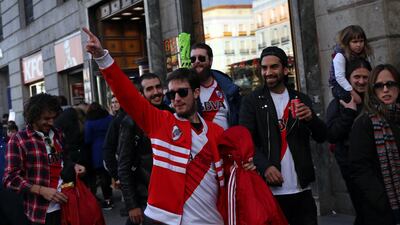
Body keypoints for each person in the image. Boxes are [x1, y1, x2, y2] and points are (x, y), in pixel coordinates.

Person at [83, 27, 256, 225]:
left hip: (212, 219)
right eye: (171, 94)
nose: (176, 99)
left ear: (196, 93)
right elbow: (127, 95)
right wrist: (102, 57)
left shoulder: (216, 132)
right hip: (168, 220)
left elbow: (231, 171)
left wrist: (246, 166)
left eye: (182, 92)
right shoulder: (161, 122)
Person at [239, 46, 327, 225]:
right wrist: (265, 167)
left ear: (285, 70)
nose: (268, 72)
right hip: (270, 192)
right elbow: (245, 141)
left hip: (302, 189)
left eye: (274, 67)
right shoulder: (252, 101)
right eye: (264, 68)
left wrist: (311, 118)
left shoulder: (300, 98)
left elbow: (322, 136)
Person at [3, 93, 85, 225]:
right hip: (42, 213)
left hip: (68, 205)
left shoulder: (57, 133)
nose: (51, 122)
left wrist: (73, 166)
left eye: (54, 117)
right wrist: (41, 190)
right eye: (46, 118)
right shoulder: (18, 140)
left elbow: (64, 158)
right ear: (33, 117)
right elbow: (10, 179)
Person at [118, 73, 173, 225]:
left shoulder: (173, 115)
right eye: (150, 89)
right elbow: (123, 166)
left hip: (171, 199)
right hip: (145, 201)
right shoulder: (131, 122)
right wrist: (132, 205)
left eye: (158, 87)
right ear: (141, 94)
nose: (156, 92)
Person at [349, 64, 400, 225]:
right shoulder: (364, 123)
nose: (385, 90)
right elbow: (359, 168)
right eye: (379, 86)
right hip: (383, 209)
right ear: (372, 90)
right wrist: (381, 200)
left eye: (390, 84)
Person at [326, 58, 371, 225]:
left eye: (365, 77)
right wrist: (349, 113)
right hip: (352, 167)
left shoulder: (376, 99)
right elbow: (331, 134)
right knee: (364, 209)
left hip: (376, 165)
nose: (361, 81)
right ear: (348, 79)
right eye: (356, 77)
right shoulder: (339, 103)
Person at [190, 42, 241, 130]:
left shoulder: (226, 86)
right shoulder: (187, 89)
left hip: (227, 141)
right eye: (193, 59)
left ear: (210, 61)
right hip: (202, 142)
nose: (197, 61)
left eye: (201, 58)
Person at [329, 25, 372, 104]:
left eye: (361, 41)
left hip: (356, 83)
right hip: (340, 86)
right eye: (355, 42)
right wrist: (352, 93)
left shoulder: (363, 54)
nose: (359, 45)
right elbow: (340, 78)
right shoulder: (340, 55)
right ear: (347, 42)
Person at [84, 102, 114, 210]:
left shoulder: (89, 122)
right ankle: (113, 195)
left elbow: (87, 139)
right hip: (110, 147)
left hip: (97, 151)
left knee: (103, 176)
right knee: (111, 172)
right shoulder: (109, 118)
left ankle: (107, 199)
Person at [103, 95, 126, 190]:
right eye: (113, 102)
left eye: (116, 102)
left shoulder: (119, 118)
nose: (114, 104)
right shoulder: (114, 119)